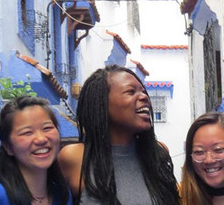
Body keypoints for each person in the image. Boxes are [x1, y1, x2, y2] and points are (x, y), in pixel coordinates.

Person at [58, 65, 180, 205]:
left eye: (143, 91)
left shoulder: (158, 153)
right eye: (131, 91)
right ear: (102, 102)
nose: (144, 96)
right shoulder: (75, 157)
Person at [0, 96, 72, 205]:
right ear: (8, 147)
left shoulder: (62, 196)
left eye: (47, 128)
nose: (41, 139)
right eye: (27, 132)